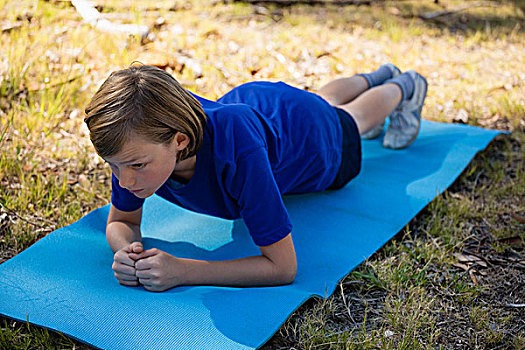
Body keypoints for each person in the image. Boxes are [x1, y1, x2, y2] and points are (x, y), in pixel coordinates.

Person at [84, 63, 427, 292]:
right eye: (113, 166)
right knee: (324, 98)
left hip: (307, 135)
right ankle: (379, 72)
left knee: (350, 118)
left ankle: (404, 85)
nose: (124, 180)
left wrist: (184, 271)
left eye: (135, 166)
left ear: (180, 141)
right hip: (260, 106)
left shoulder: (236, 154)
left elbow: (282, 268)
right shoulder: (137, 146)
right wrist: (126, 251)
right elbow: (122, 221)